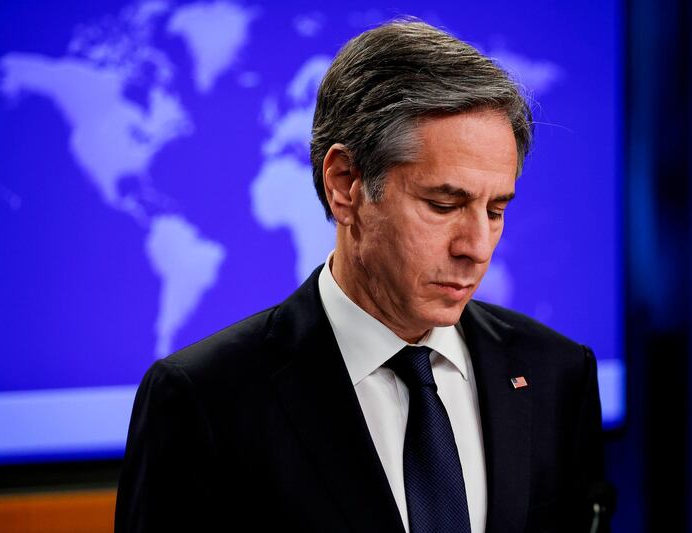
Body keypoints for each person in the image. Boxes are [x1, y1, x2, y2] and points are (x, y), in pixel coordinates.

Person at [115, 20, 604, 533]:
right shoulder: (204, 400)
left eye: (496, 210)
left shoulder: (556, 374)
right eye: (443, 204)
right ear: (345, 185)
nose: (477, 247)